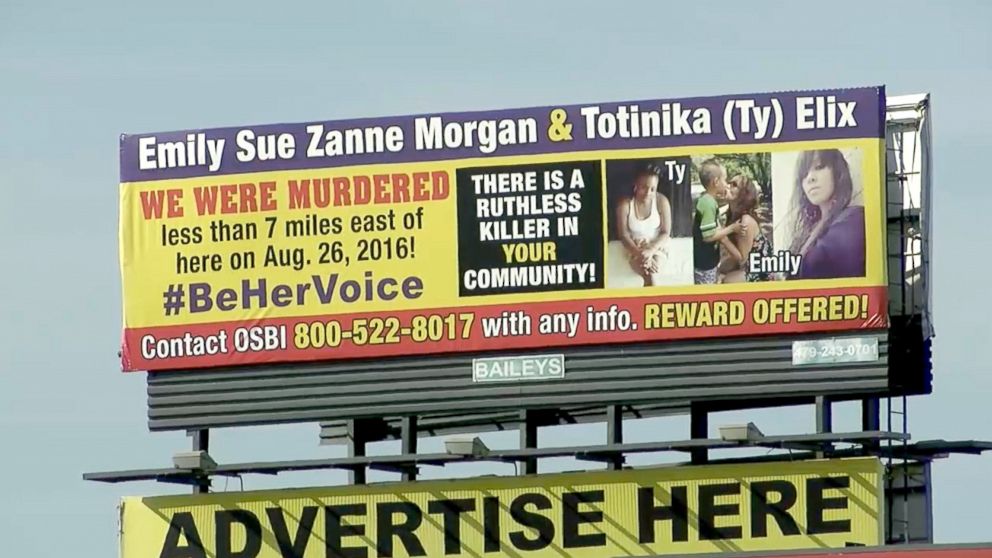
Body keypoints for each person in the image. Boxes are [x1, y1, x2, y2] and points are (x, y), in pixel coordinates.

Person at [788, 149, 866, 279]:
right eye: (804, 174)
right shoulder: (808, 230)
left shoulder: (853, 220)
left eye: (819, 167)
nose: (810, 178)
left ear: (836, 172)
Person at [615, 164, 672, 286]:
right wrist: (639, 253)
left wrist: (651, 250)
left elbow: (666, 232)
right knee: (648, 275)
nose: (648, 193)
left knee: (652, 275)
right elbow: (624, 235)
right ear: (635, 186)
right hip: (634, 246)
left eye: (653, 189)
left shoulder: (662, 201)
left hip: (657, 245)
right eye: (643, 188)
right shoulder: (625, 205)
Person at [693, 158, 744, 284]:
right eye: (724, 179)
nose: (726, 184)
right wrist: (732, 228)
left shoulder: (707, 200)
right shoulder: (708, 203)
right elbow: (708, 236)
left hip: (708, 261)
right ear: (716, 182)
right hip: (705, 264)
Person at [719, 174, 774, 282]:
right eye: (729, 183)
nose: (728, 186)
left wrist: (722, 238)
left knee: (727, 281)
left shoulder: (745, 221)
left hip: (761, 270)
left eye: (734, 185)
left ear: (744, 194)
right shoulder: (731, 216)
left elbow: (742, 260)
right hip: (748, 266)